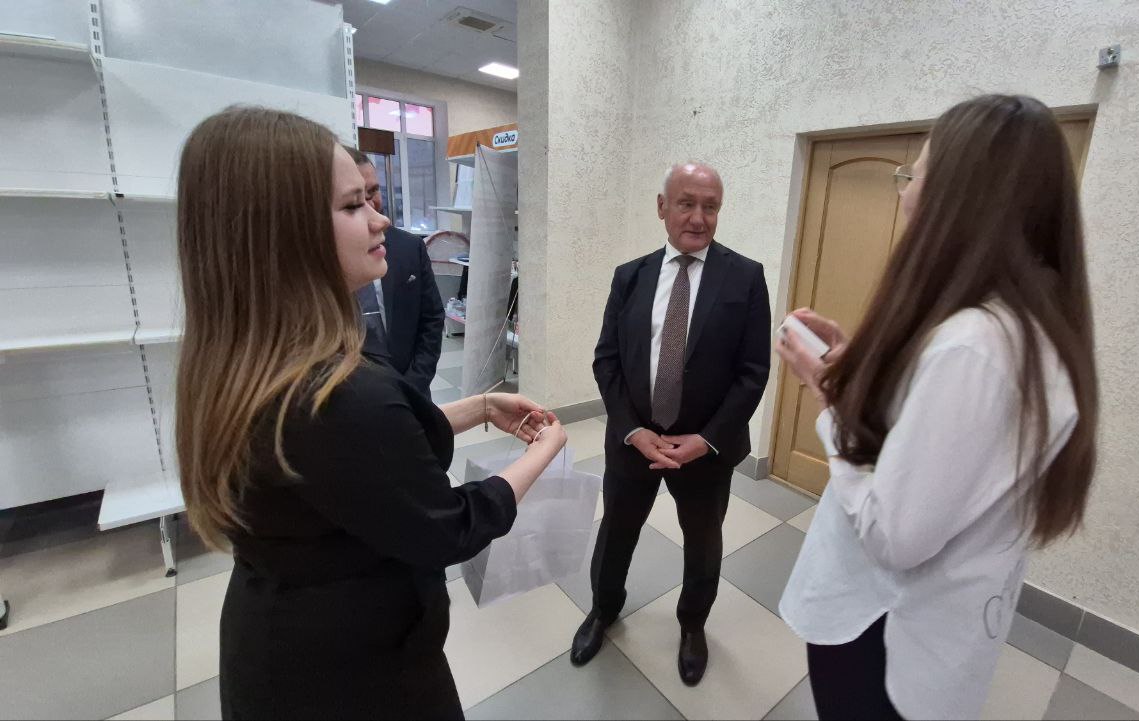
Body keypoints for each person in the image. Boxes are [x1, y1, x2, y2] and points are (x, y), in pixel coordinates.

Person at [173, 107, 567, 720]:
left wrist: (481, 407)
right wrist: (543, 452)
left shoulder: (253, 360)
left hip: (280, 640)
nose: (381, 218)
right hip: (352, 674)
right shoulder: (336, 394)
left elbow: (359, 464)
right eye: (354, 205)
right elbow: (447, 528)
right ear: (287, 232)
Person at [775, 94, 1100, 720]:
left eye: (913, 176)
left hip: (882, 632)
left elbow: (895, 535)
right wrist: (867, 372)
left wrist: (833, 402)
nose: (904, 196)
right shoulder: (1026, 326)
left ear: (958, 198)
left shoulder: (975, 345)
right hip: (935, 628)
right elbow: (937, 439)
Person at [572, 163, 771, 686]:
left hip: (704, 450)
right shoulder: (630, 277)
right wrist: (632, 430)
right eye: (686, 204)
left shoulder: (746, 278)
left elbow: (753, 372)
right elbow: (607, 360)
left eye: (711, 206)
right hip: (634, 440)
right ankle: (603, 609)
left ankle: (692, 626)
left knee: (703, 544)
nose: (699, 218)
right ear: (662, 207)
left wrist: (707, 440)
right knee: (616, 532)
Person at [346, 146, 445, 395]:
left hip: (412, 391)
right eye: (354, 202)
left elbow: (432, 319)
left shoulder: (409, 247)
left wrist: (413, 386)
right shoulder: (316, 272)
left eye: (373, 191)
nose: (373, 206)